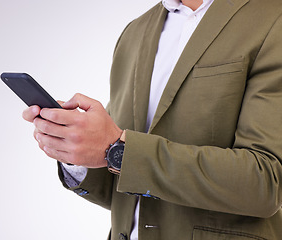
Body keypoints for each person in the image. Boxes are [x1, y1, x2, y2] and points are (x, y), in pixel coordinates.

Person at [22, 0, 282, 239]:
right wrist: (75, 151)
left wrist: (118, 149)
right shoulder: (135, 32)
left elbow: (266, 182)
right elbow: (130, 185)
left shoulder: (272, 18)